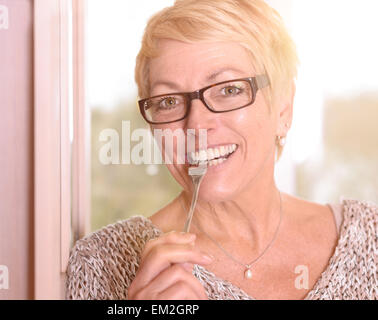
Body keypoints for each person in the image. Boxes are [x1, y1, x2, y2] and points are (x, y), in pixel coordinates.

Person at [66, 0, 377, 300]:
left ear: (284, 107)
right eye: (169, 101)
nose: (197, 125)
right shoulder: (101, 264)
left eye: (229, 89)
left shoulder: (370, 238)